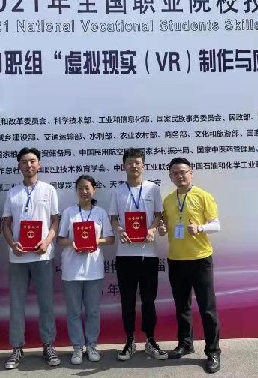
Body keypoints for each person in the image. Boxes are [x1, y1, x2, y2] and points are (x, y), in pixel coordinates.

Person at [160, 157, 221, 374]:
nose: (180, 176)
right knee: (182, 306)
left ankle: (213, 351)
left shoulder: (203, 196)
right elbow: (165, 223)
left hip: (200, 259)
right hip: (176, 260)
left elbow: (217, 224)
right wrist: (162, 229)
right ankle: (185, 344)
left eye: (183, 172)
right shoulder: (168, 200)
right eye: (175, 173)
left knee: (207, 309)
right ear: (170, 176)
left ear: (191, 173)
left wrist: (201, 228)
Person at [1, 147, 61, 370]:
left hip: (42, 255)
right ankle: (17, 347)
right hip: (18, 257)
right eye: (24, 162)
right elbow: (6, 224)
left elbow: (55, 221)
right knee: (16, 305)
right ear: (19, 166)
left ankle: (48, 345)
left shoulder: (49, 190)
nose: (28, 165)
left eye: (32, 161)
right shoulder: (12, 193)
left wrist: (46, 242)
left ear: (39, 164)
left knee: (46, 304)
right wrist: (12, 244)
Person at [109, 148, 168, 361]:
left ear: (143, 165)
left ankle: (150, 340)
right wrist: (120, 231)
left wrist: (152, 229)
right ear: (124, 165)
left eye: (137, 162)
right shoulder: (117, 191)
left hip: (148, 255)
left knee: (149, 300)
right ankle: (129, 340)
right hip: (125, 255)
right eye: (130, 162)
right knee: (127, 300)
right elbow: (113, 218)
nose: (134, 166)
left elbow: (159, 215)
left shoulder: (153, 188)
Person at [57, 175, 115, 365]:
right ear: (76, 191)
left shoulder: (100, 213)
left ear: (94, 190)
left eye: (87, 188)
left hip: (93, 270)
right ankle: (77, 347)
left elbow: (110, 239)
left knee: (92, 311)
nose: (84, 191)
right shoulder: (69, 212)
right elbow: (60, 239)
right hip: (72, 270)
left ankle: (91, 346)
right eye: (80, 188)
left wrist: (94, 241)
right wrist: (73, 243)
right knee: (74, 311)